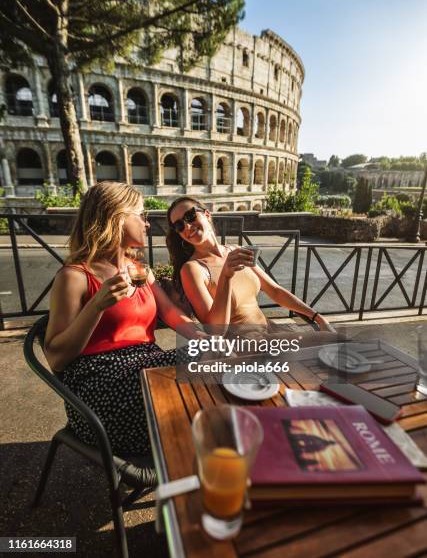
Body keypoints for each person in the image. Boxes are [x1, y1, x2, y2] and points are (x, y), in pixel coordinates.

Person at [45, 182, 204, 456]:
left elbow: (170, 313)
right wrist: (96, 306)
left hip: (147, 374)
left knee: (214, 358)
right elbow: (56, 359)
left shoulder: (138, 269)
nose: (147, 224)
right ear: (115, 217)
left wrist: (205, 339)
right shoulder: (74, 276)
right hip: (99, 392)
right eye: (141, 215)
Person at [166, 196, 337, 346]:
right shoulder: (192, 269)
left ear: (207, 214)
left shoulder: (236, 250)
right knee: (333, 342)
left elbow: (276, 291)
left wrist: (318, 318)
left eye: (190, 216)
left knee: (333, 346)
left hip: (271, 332)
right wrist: (226, 276)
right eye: (179, 226)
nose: (187, 226)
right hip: (247, 347)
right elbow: (215, 331)